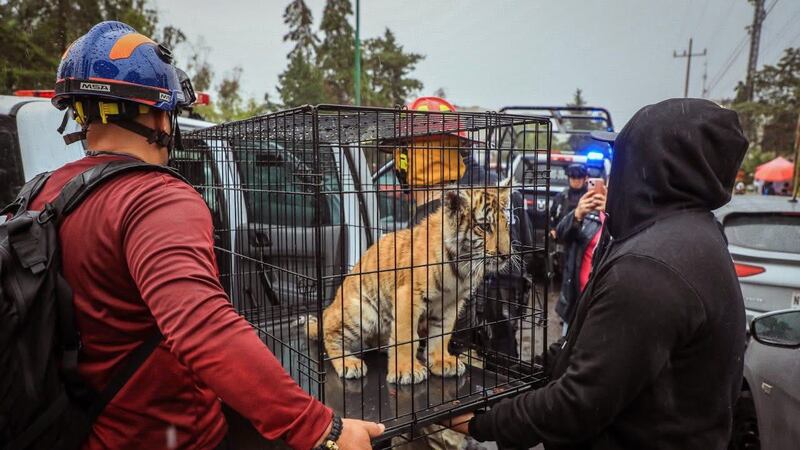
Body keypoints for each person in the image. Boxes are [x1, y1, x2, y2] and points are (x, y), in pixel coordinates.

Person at [35, 21, 382, 450]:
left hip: (82, 429)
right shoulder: (156, 197)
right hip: (171, 436)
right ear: (161, 114)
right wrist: (323, 429)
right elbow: (204, 329)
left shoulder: (44, 192)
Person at [446, 98, 748, 449]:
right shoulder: (693, 235)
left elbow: (580, 403)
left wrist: (483, 423)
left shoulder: (651, 267)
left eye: (619, 156)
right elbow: (592, 347)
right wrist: (516, 377)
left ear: (647, 164)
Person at [553, 183, 606, 334]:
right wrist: (576, 215)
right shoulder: (588, 217)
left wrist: (612, 213)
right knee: (567, 351)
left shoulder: (621, 220)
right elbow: (561, 235)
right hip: (576, 301)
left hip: (602, 304)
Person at [549, 163, 588, 240]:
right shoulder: (561, 196)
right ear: (569, 179)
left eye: (579, 178)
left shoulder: (589, 197)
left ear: (585, 179)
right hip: (562, 239)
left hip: (583, 239)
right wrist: (552, 229)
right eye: (573, 178)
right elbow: (551, 215)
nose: (576, 181)